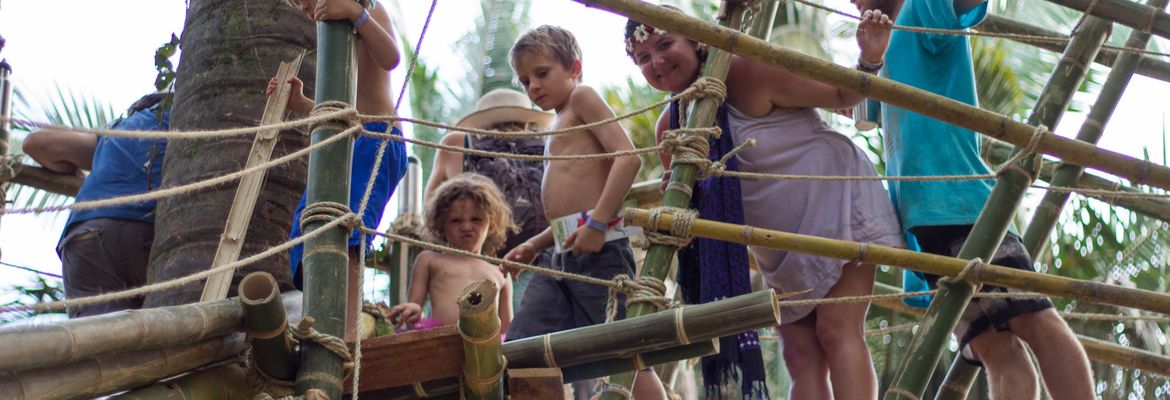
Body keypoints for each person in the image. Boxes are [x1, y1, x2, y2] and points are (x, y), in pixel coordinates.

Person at [625, 5, 901, 398]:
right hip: (779, 245)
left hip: (838, 205)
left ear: (696, 42)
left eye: (666, 44)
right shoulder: (672, 126)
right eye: (643, 58)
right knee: (799, 354)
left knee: (836, 328)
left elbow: (845, 94)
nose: (657, 61)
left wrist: (870, 56)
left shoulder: (747, 68)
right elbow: (693, 208)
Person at [854, 0, 1094, 398]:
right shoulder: (882, 37)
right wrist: (869, 58)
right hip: (922, 222)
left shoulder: (921, 7)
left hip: (958, 202)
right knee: (993, 347)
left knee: (1035, 320)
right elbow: (861, 114)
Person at [504, 25, 665, 399]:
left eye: (542, 73)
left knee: (625, 352)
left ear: (574, 67)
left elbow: (628, 159)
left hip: (601, 250)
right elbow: (566, 212)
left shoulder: (582, 99)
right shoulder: (556, 123)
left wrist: (596, 224)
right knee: (524, 347)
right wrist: (534, 244)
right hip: (559, 254)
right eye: (525, 80)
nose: (533, 87)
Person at [267, 0, 406, 340]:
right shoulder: (333, 27)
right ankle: (320, 321)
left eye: (302, 0)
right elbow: (345, 110)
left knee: (345, 231)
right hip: (352, 139)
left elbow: (391, 58)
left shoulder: (365, 8)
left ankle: (344, 335)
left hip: (377, 139)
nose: (301, 7)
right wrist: (301, 105)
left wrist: (356, 14)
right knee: (310, 226)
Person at [22, 92, 171, 318]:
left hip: (87, 237)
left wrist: (82, 171)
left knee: (97, 344)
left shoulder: (117, 132)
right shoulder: (185, 119)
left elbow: (36, 144)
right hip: (148, 232)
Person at [426, 88, 553, 311]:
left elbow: (430, 210)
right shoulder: (549, 142)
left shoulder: (457, 143)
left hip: (484, 269)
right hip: (546, 259)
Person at [386, 173, 514, 333]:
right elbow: (414, 305)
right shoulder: (429, 260)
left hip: (484, 350)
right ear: (441, 226)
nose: (466, 226)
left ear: (492, 224)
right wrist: (412, 309)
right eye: (456, 221)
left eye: (476, 219)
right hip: (440, 343)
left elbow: (507, 330)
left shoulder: (501, 272)